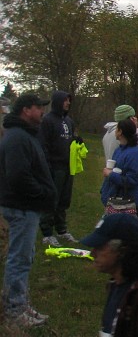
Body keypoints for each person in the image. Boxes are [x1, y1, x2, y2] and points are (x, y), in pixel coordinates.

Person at [1, 93, 57, 327]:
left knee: (26, 256)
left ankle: (22, 304)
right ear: (26, 110)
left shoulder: (25, 134)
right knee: (20, 258)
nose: (42, 111)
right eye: (38, 107)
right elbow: (18, 176)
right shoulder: (17, 138)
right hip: (22, 207)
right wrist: (42, 193)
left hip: (26, 207)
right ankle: (14, 310)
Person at [38, 89, 78, 245]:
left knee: (64, 200)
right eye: (65, 100)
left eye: (69, 100)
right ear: (58, 102)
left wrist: (77, 141)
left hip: (68, 166)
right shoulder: (47, 121)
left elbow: (71, 139)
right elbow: (43, 145)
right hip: (54, 167)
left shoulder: (69, 121)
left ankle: (62, 230)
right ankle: (47, 233)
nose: (68, 103)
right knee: (51, 200)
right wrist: (46, 166)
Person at [101, 119, 138, 219]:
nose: (115, 132)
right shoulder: (119, 150)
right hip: (116, 202)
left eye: (116, 129)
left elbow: (132, 180)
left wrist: (111, 174)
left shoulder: (135, 155)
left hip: (128, 204)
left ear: (120, 132)